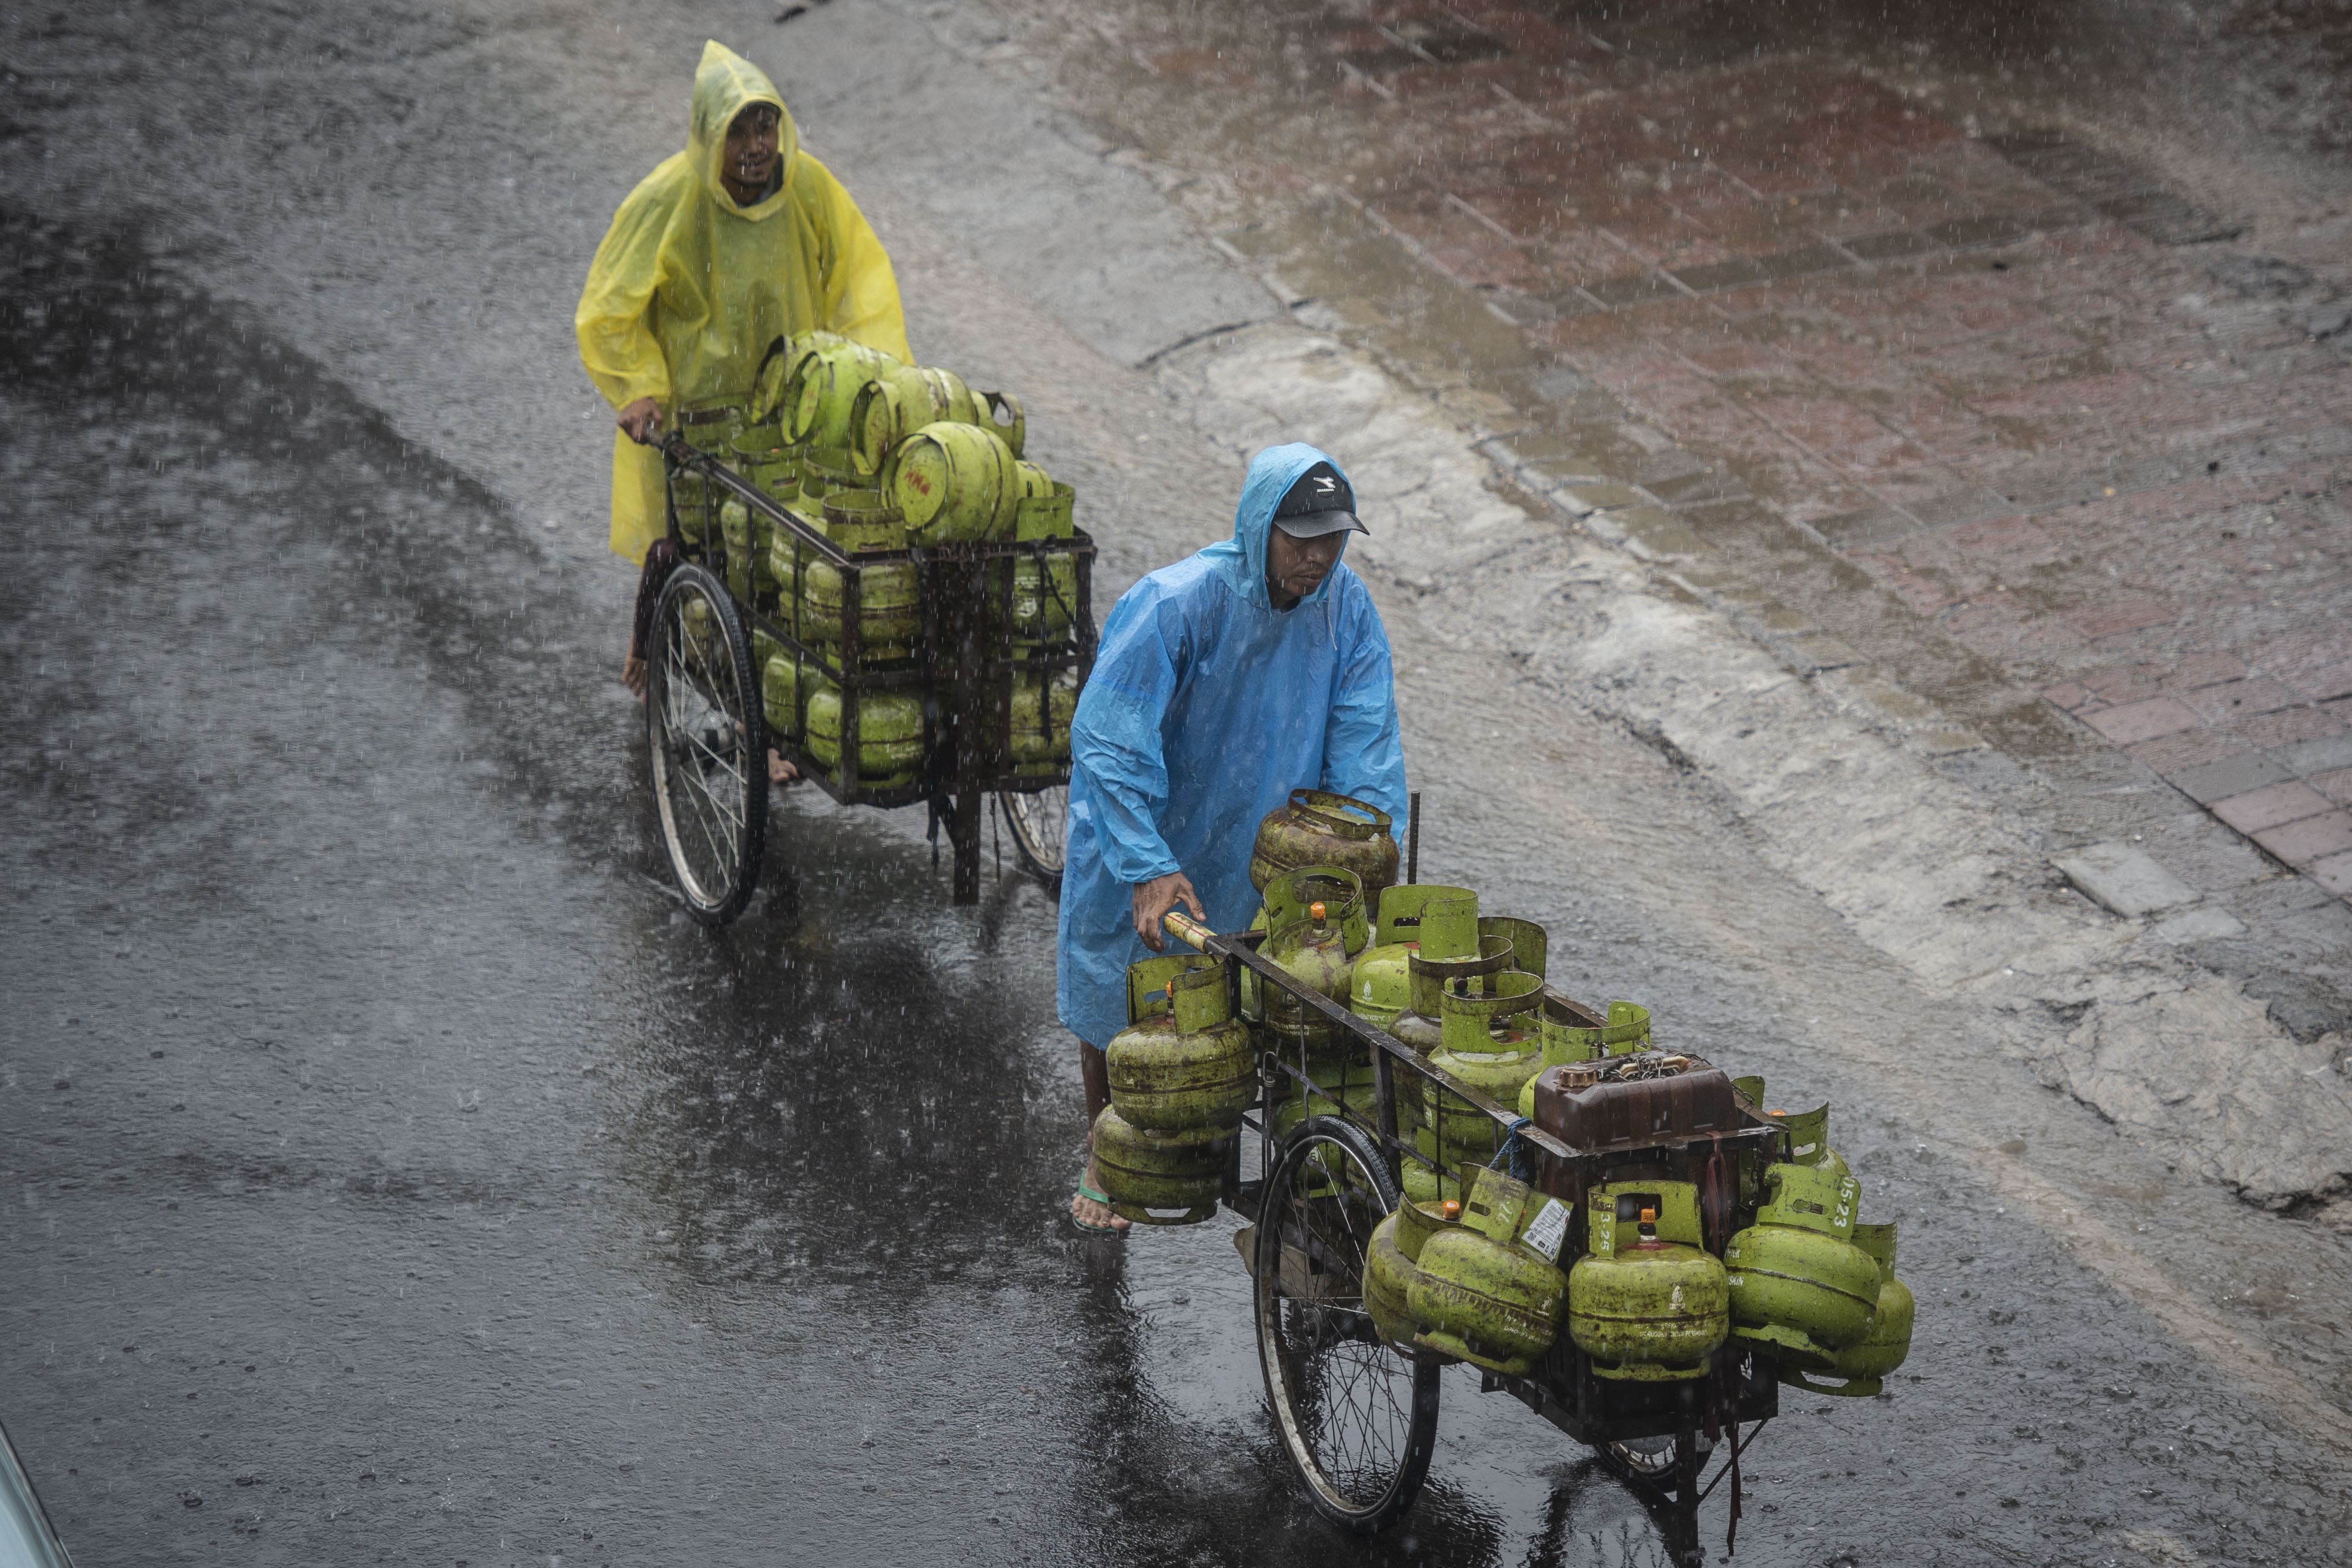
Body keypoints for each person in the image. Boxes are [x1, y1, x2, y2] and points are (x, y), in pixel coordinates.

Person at [1056, 444, 1409, 1233]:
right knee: (1119, 986)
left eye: (1332, 537)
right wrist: (1145, 862)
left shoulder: (1346, 609)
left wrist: (1362, 858)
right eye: (1300, 538)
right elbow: (1110, 740)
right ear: (1259, 527)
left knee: (1268, 985)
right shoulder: (1178, 603)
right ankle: (1105, 1152)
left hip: (1261, 824)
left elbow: (1366, 742)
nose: (1317, 556)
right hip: (1153, 818)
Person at [576, 39, 909, 787]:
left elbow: (861, 279)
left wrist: (879, 382)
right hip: (698, 417)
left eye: (766, 127)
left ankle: (769, 717)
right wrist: (639, 387)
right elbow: (609, 308)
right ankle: (680, 665)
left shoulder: (808, 188)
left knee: (784, 568)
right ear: (707, 136)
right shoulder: (668, 200)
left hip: (791, 412)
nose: (755, 148)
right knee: (705, 554)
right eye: (737, 131)